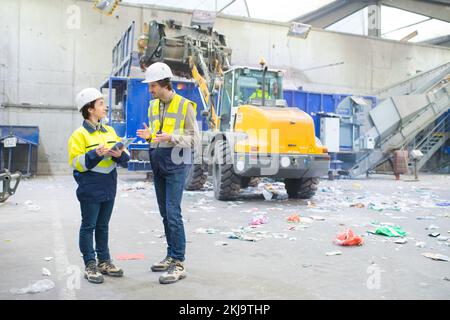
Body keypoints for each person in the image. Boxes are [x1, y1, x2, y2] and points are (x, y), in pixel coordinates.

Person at [137, 62, 200, 284]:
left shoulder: (185, 106)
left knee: (173, 214)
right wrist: (148, 136)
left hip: (176, 166)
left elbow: (195, 140)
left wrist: (171, 137)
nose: (150, 90)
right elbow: (156, 136)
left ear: (164, 84)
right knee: (165, 214)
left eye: (153, 86)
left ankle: (178, 262)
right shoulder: (153, 106)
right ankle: (171, 255)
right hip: (159, 165)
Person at [68, 88, 130, 284]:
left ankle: (104, 261)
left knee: (103, 226)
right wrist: (96, 153)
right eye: (101, 103)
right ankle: (90, 264)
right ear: (90, 109)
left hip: (108, 186)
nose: (105, 106)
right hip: (90, 187)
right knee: (89, 226)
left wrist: (121, 155)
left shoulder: (110, 130)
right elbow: (77, 163)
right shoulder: (79, 136)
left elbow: (126, 159)